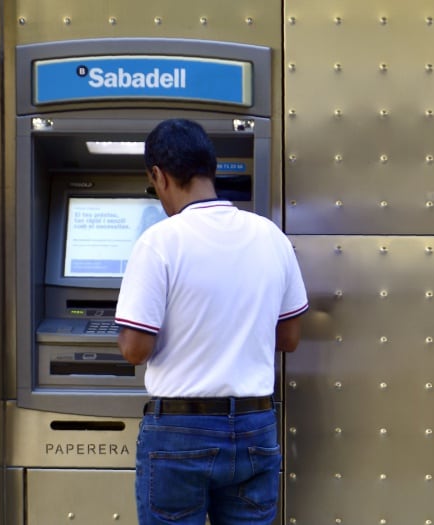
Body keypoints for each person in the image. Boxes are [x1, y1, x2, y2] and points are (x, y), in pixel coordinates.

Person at [115, 118, 308, 525]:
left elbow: (135, 349)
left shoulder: (159, 241)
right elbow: (289, 337)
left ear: (159, 175)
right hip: (255, 428)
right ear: (211, 168)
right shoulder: (271, 236)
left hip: (179, 434)